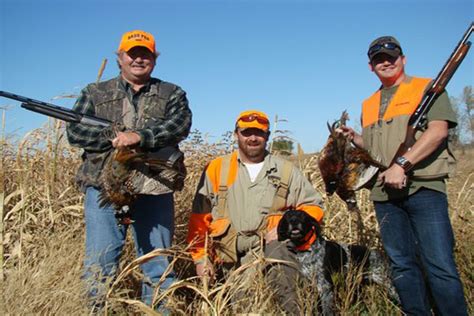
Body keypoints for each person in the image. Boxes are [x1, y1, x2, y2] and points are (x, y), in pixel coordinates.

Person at [339, 36, 467, 315]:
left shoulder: (428, 88)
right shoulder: (369, 103)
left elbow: (438, 132)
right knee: (402, 265)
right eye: (378, 59)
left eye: (390, 56)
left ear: (403, 59)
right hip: (384, 194)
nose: (385, 62)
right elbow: (377, 147)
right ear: (371, 67)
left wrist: (402, 164)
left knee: (440, 266)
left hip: (424, 188)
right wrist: (356, 139)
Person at [66, 30, 192, 309]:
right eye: (132, 53)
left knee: (157, 263)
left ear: (154, 60)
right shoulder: (95, 92)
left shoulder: (172, 92)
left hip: (154, 187)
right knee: (100, 263)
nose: (138, 59)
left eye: (145, 54)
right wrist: (110, 138)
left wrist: (140, 137)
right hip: (104, 188)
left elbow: (179, 125)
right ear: (120, 58)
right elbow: (75, 133)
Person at [186, 110, 324, 314]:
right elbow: (199, 219)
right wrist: (201, 259)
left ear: (267, 136)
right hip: (228, 256)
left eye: (259, 133)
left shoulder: (285, 170)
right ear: (236, 135)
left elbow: (314, 206)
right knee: (242, 307)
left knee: (281, 266)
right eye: (246, 132)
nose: (252, 138)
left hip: (269, 249)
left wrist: (282, 228)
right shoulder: (216, 168)